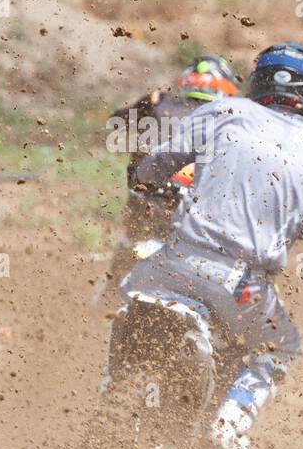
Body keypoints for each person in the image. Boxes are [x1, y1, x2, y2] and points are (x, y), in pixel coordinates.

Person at [112, 42, 303, 449]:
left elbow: (154, 167)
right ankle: (230, 426)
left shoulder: (223, 112)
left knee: (127, 299)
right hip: (240, 285)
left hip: (174, 261)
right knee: (281, 347)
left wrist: (143, 175)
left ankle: (110, 398)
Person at [102, 55, 243, 296]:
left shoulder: (159, 102)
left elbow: (117, 121)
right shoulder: (235, 119)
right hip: (207, 221)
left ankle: (109, 293)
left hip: (148, 210)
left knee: (132, 235)